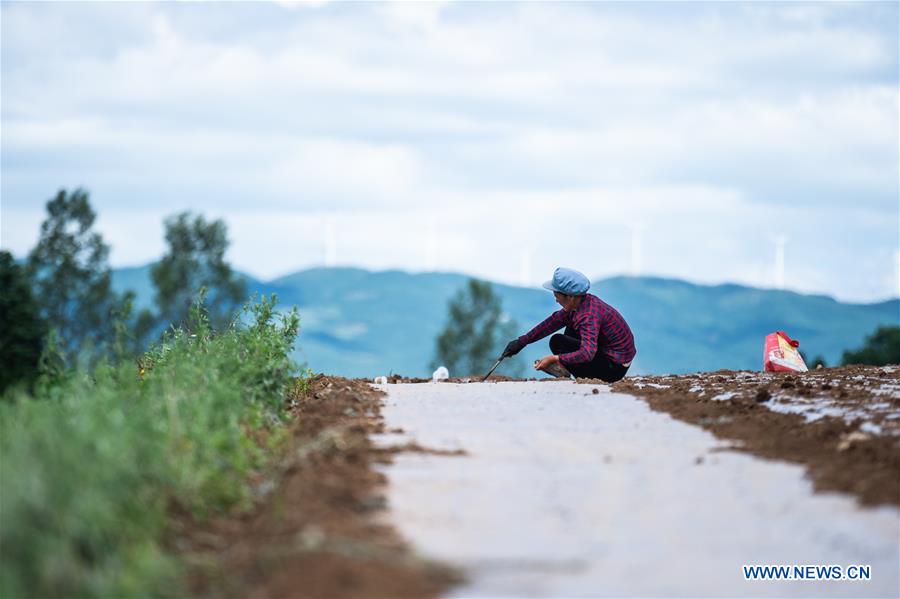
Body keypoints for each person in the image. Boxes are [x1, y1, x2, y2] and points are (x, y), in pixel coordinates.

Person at [503, 267, 636, 382]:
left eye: (556, 294)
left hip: (614, 368)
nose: (555, 299)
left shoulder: (588, 316)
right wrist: (521, 342)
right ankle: (565, 368)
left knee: (557, 342)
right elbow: (551, 323)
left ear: (570, 296)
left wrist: (555, 359)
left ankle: (566, 369)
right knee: (567, 331)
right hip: (606, 354)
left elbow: (587, 353)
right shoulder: (579, 304)